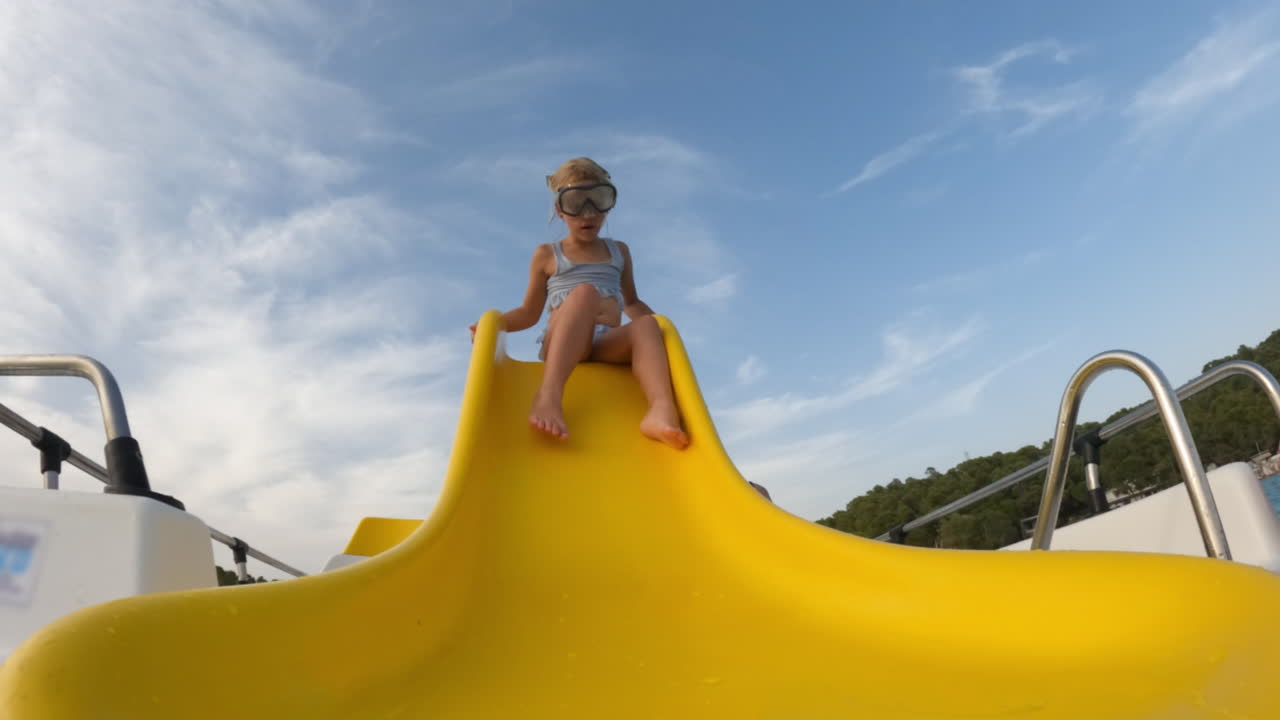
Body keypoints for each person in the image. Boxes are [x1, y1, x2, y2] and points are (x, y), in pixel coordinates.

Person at [471, 157, 689, 450]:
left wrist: (663, 335)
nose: (589, 213)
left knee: (647, 325)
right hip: (562, 342)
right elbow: (528, 312)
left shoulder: (619, 251)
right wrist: (495, 325)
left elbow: (632, 302)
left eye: (598, 200)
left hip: (603, 345)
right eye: (576, 203)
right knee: (585, 294)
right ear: (560, 210)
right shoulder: (547, 255)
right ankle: (548, 397)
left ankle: (660, 411)